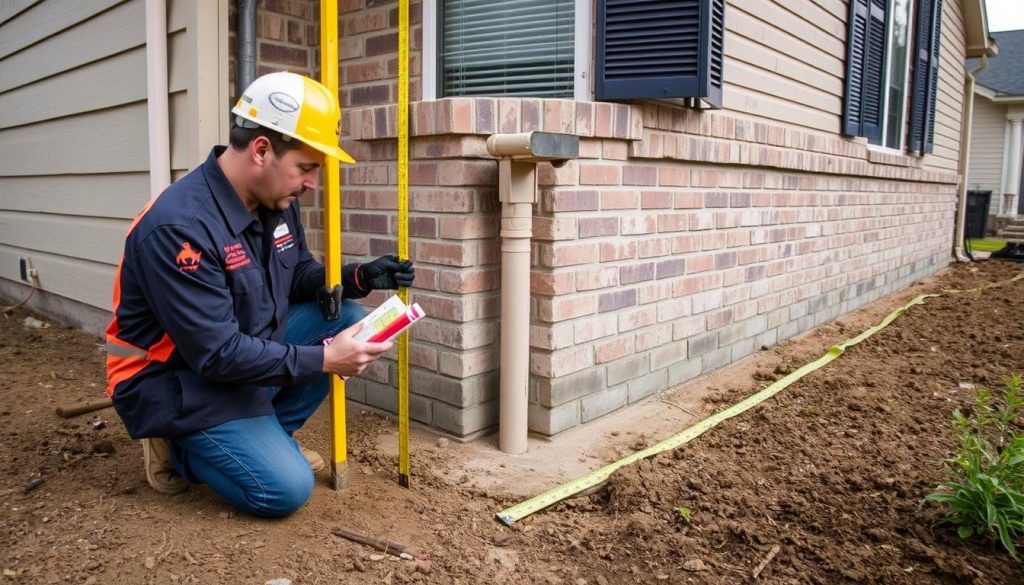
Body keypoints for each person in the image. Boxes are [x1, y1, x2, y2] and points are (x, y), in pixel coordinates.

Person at [105, 71, 414, 517]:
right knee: (286, 489)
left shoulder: (274, 201)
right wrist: (326, 360)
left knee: (344, 317)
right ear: (262, 150)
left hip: (233, 353)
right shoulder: (179, 229)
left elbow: (297, 274)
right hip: (173, 378)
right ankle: (178, 448)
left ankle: (267, 438)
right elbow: (216, 354)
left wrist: (359, 277)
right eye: (306, 168)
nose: (312, 183)